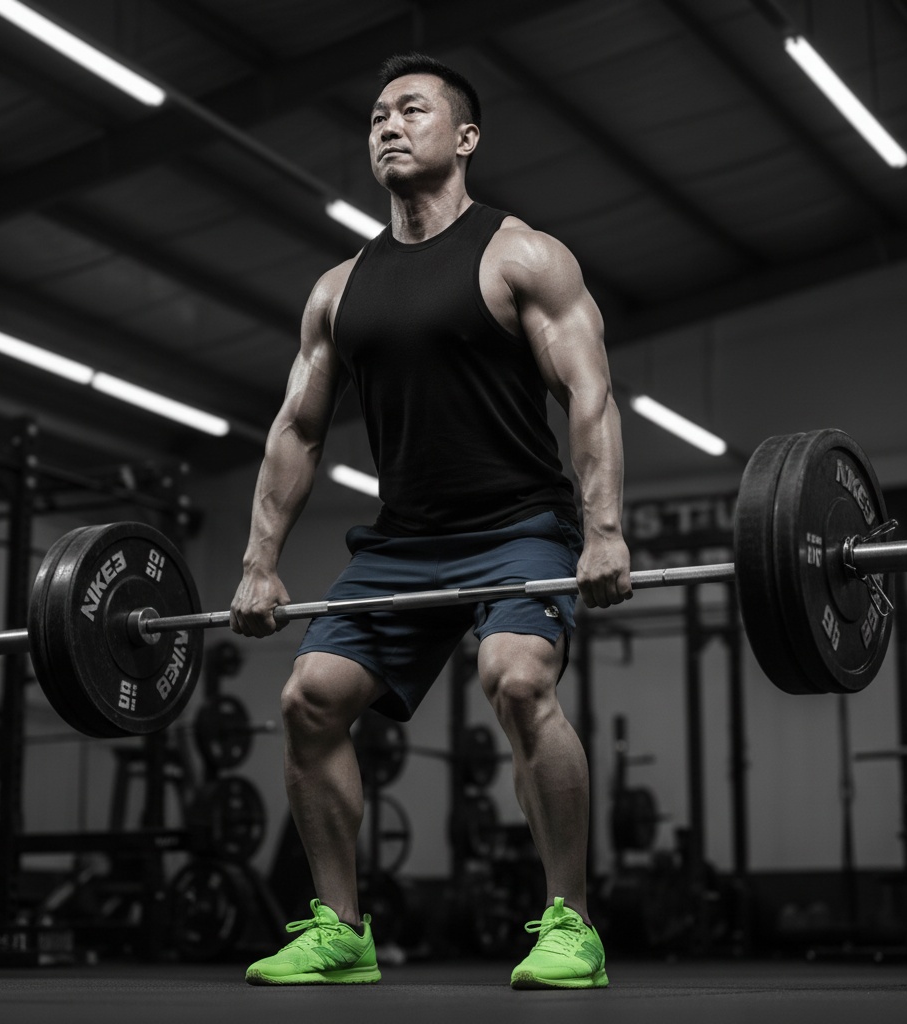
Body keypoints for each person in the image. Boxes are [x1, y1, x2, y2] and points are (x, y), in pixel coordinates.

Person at [229, 52, 632, 989]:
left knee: (516, 677)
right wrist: (259, 562)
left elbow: (590, 394)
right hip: (403, 540)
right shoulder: (339, 289)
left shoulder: (523, 254)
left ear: (466, 137)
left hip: (518, 524)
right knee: (308, 700)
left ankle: (572, 923)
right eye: (375, 116)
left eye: (411, 109)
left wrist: (603, 529)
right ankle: (342, 930)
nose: (386, 125)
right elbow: (296, 429)